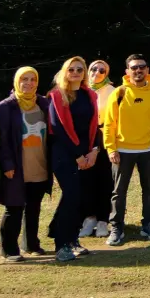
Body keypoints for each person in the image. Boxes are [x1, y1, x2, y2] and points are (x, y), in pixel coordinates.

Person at [103, 54, 150, 246]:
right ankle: (117, 228)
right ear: (127, 71)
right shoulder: (118, 93)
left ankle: (148, 224)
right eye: (134, 67)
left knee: (149, 190)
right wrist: (110, 148)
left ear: (147, 70)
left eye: (142, 67)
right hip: (122, 150)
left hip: (147, 151)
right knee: (119, 192)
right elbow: (109, 124)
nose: (138, 70)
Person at [47, 56, 102, 262]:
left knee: (79, 199)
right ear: (65, 72)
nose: (76, 72)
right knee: (70, 198)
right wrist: (78, 155)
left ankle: (71, 240)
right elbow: (58, 129)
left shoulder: (89, 95)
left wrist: (94, 151)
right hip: (64, 155)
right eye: (72, 69)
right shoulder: (56, 96)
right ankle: (61, 245)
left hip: (87, 155)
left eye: (80, 69)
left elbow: (95, 125)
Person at [0, 67, 51, 261]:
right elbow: (2, 140)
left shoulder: (44, 103)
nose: (28, 83)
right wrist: (7, 164)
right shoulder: (7, 106)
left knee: (34, 207)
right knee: (14, 207)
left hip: (40, 164)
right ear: (16, 82)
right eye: (24, 79)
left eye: (33, 79)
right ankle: (9, 249)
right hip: (17, 166)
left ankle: (31, 244)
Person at [78, 60, 116, 239]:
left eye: (102, 70)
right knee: (86, 180)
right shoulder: (81, 89)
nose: (97, 72)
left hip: (105, 137)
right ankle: (89, 218)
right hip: (84, 138)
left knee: (105, 180)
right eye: (94, 69)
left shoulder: (113, 91)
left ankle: (103, 220)